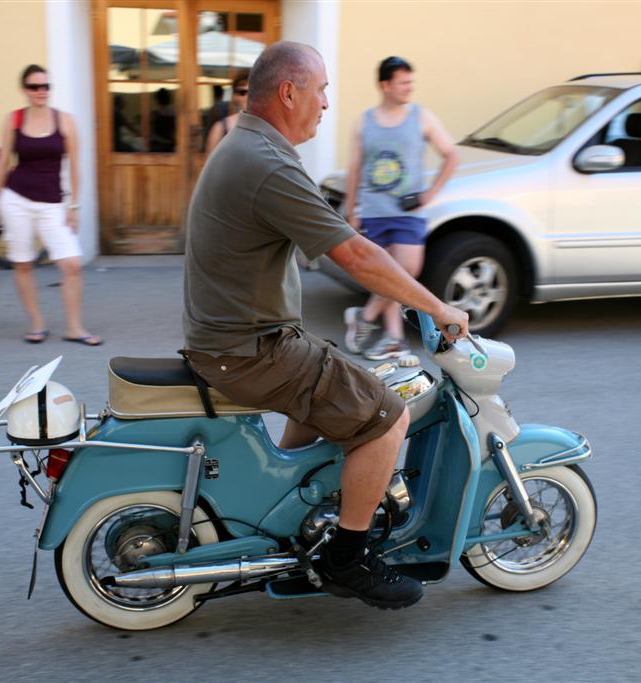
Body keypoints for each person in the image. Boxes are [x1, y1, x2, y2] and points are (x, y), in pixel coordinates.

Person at [182, 41, 468, 610]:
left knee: (326, 389)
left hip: (243, 338)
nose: (328, 103)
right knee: (386, 417)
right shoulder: (265, 163)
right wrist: (437, 307)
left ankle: (287, 519)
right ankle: (347, 559)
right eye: (321, 91)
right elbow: (356, 255)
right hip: (249, 349)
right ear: (289, 93)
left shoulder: (249, 145)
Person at [343, 56, 459, 360]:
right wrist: (351, 208)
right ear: (385, 85)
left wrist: (430, 194)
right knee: (387, 277)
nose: (409, 87)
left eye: (411, 81)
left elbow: (451, 155)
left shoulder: (422, 117)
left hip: (408, 212)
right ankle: (394, 338)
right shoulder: (364, 121)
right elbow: (354, 168)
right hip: (374, 210)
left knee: (407, 269)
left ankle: (365, 318)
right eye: (403, 82)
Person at [0, 64, 102, 346]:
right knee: (23, 264)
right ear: (25, 90)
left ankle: (74, 327)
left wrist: (74, 207)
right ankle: (36, 323)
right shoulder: (13, 120)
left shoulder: (65, 121)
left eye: (46, 86)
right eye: (35, 87)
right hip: (17, 199)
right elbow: (3, 164)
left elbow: (75, 166)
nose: (41, 92)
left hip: (53, 203)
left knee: (72, 265)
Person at [204, 73, 249, 154]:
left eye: (251, 92)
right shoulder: (220, 127)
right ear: (234, 96)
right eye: (241, 92)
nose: (246, 97)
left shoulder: (268, 126)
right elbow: (210, 163)